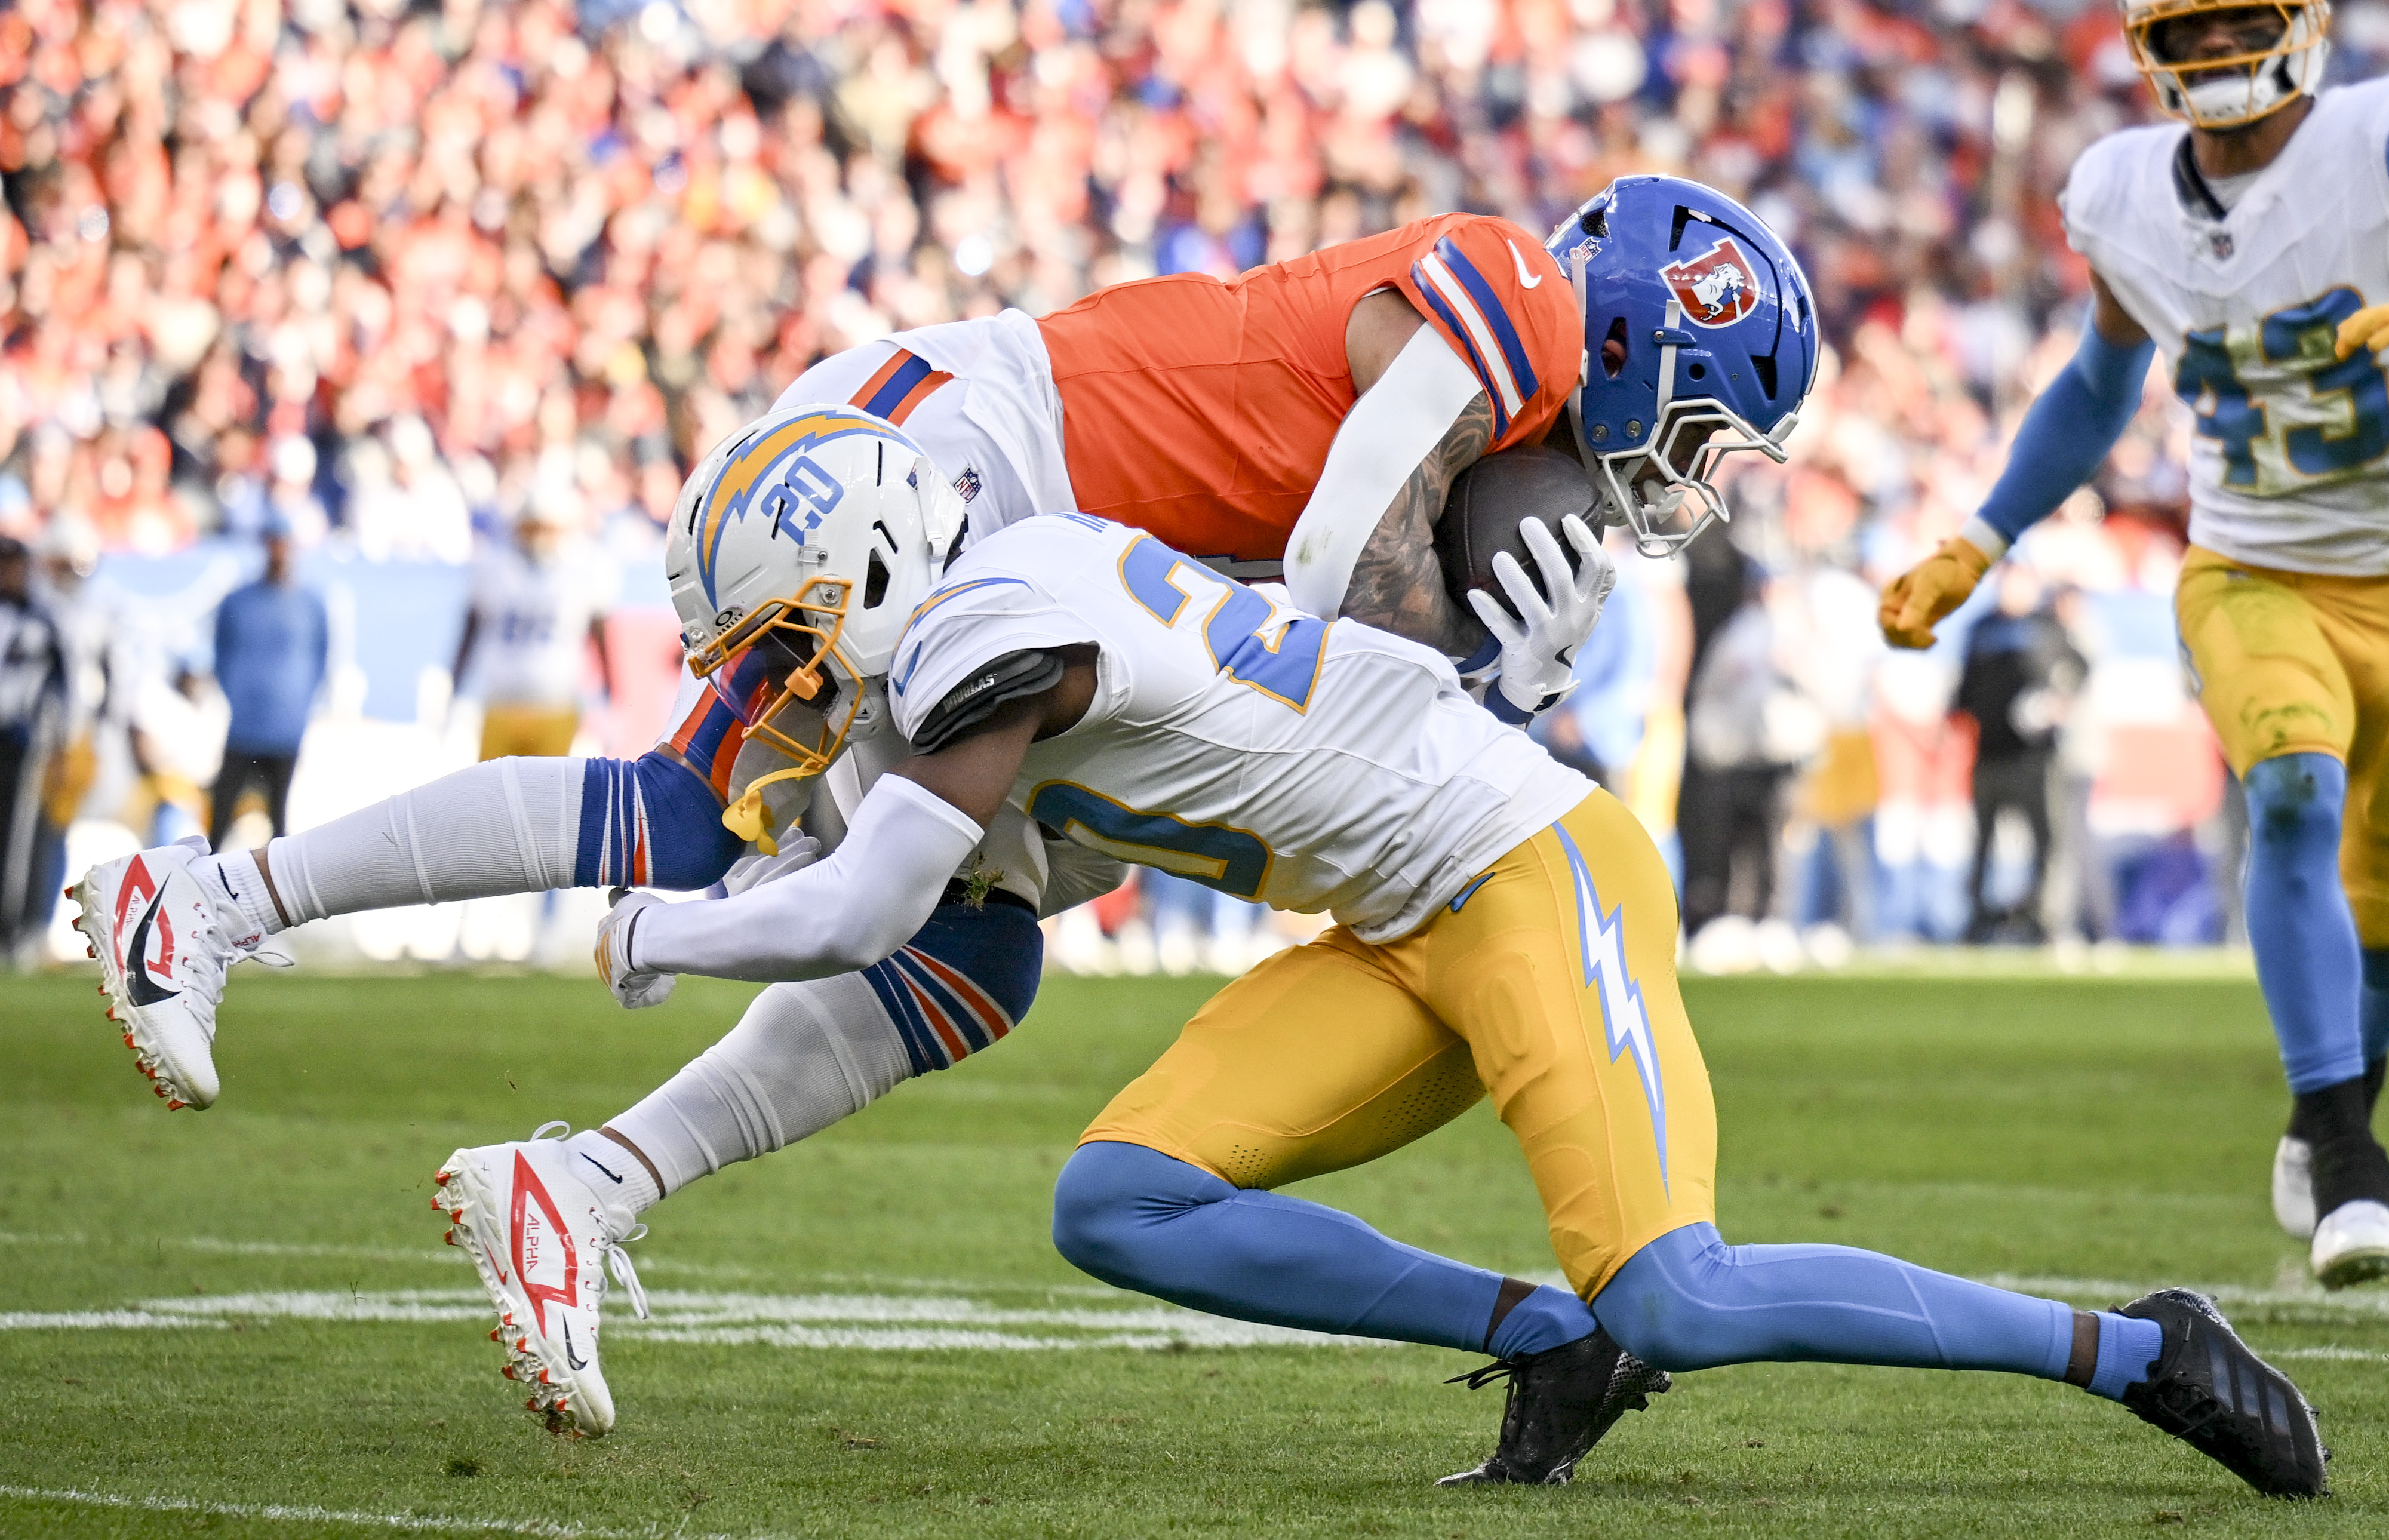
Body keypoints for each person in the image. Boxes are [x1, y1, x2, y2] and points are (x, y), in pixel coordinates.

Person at [524, 458, 2322, 1498]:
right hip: (1389, 916)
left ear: (878, 568)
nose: (771, 681)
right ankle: (1544, 1339)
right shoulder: (1016, 580)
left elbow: (862, 908)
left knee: (1682, 1288)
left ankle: (2133, 1343)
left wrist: (654, 925)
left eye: (779, 637)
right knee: (1119, 1199)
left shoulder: (997, 642)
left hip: (1527, 866)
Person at [72, 178, 1811, 1117]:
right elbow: (1340, 537)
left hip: (1049, 555)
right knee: (699, 808)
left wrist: (1480, 696)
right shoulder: (1509, 282)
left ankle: (583, 1193)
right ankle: (208, 903)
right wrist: (1466, 688)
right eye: (1710, 431)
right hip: (978, 451)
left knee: (977, 954)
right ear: (1658, 333)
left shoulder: (1495, 465)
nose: (1692, 484)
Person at [1877, 0, 2389, 1286]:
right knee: (2287, 788)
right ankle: (2340, 1150)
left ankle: (2325, 1107)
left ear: (2301, 28)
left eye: (2241, 23)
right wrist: (1980, 536)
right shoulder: (2117, 195)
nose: (2218, 53)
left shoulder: (2370, 145)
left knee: (2378, 907)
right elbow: (2098, 386)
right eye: (2194, 27)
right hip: (2254, 565)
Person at [1955, 564, 2084, 943]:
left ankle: (2041, 918)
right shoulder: (1982, 628)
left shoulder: (2047, 628)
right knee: (1982, 840)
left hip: (2034, 756)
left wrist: (2060, 702)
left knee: (2044, 839)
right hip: (1990, 751)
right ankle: (1978, 918)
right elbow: (1965, 689)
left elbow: (2078, 669)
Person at [453, 503, 618, 762]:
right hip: (501, 701)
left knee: (548, 797)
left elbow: (600, 636)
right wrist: (457, 692)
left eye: (547, 528)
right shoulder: (493, 567)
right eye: (531, 527)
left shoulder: (583, 568)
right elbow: (469, 632)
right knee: (495, 795)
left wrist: (610, 695)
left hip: (556, 703)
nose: (539, 536)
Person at [207, 518, 328, 850]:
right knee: (221, 816)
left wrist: (298, 704)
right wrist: (237, 694)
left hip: (286, 729)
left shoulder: (310, 604)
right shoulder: (239, 601)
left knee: (280, 822)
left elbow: (321, 657)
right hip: (245, 726)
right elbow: (221, 650)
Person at [0, 536, 67, 955]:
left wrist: (60, 738)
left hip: (18, 737)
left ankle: (13, 929)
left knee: (15, 835)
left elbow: (63, 684)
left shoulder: (41, 620)